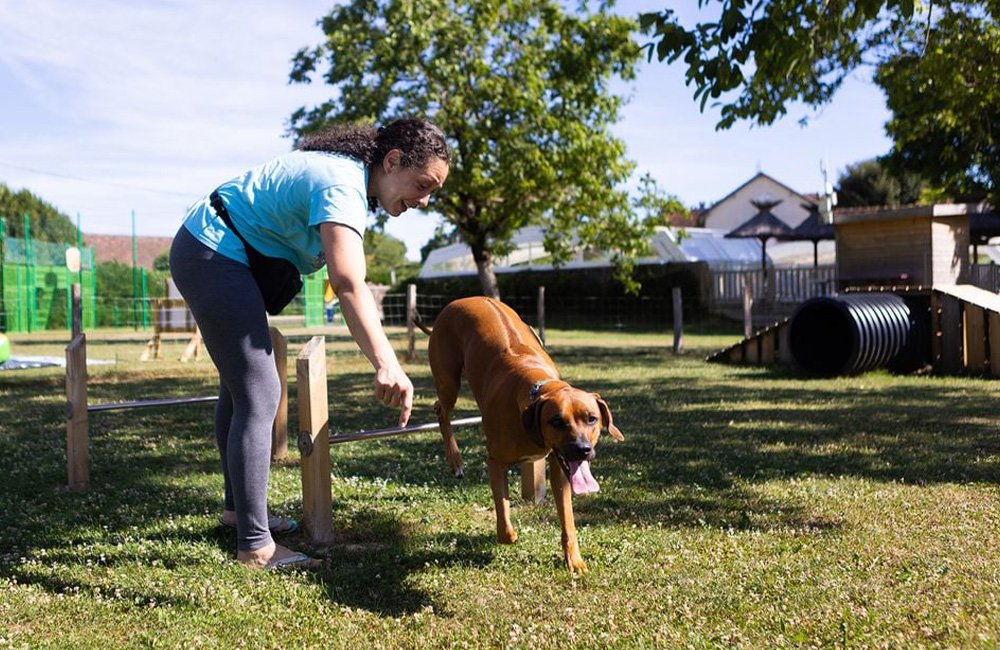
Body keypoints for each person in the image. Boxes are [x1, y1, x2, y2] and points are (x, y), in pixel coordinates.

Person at [169, 118, 450, 569]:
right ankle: (255, 546)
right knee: (260, 392)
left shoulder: (348, 180)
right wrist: (388, 364)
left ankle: (238, 513)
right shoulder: (342, 183)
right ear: (393, 161)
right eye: (422, 185)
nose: (424, 200)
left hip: (215, 249)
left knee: (241, 388)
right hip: (213, 252)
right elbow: (348, 282)